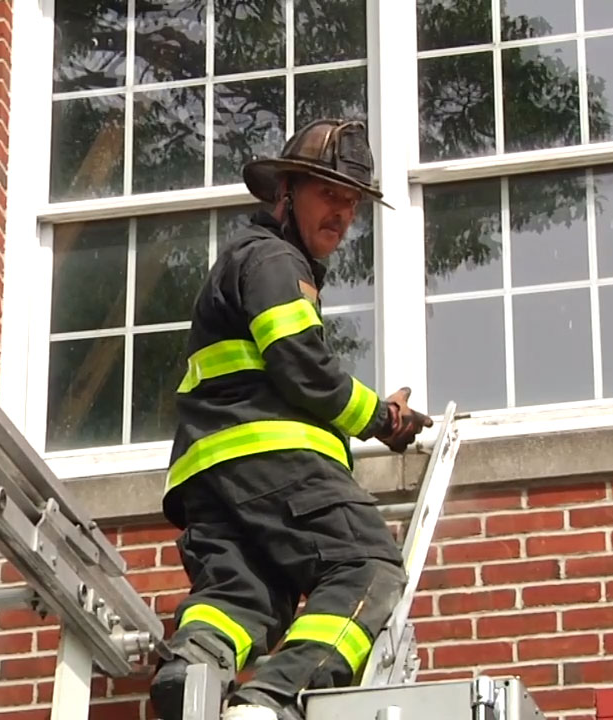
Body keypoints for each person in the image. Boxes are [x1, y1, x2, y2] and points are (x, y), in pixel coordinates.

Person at [148, 118, 434, 720]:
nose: (343, 214)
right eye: (329, 195)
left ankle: (192, 670)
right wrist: (381, 418)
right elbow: (300, 363)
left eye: (352, 202)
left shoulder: (251, 261)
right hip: (274, 463)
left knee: (245, 595)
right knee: (367, 568)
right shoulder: (274, 259)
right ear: (286, 192)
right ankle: (273, 700)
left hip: (211, 473)